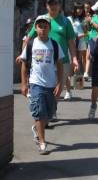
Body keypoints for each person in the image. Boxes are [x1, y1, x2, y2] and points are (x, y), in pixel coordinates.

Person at [18, 0, 79, 103]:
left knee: (57, 87)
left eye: (56, 4)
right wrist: (23, 54)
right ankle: (48, 111)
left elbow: (71, 42)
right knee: (47, 86)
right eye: (51, 4)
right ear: (47, 6)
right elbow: (29, 38)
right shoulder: (41, 20)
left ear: (59, 6)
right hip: (44, 59)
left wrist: (74, 58)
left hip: (62, 60)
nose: (53, 6)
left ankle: (52, 110)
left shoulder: (65, 21)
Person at [20, 15, 64, 155]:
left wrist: (60, 83)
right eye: (40, 26)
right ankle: (42, 142)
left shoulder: (55, 44)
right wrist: (23, 84)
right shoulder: (31, 44)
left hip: (50, 84)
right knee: (39, 112)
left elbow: (60, 65)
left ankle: (36, 129)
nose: (43, 29)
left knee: (49, 113)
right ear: (36, 28)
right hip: (36, 83)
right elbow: (24, 64)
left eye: (45, 26)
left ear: (49, 28)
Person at [68, 2, 88, 89]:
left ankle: (78, 83)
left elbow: (87, 31)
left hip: (81, 41)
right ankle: (68, 81)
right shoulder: (69, 19)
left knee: (78, 61)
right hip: (71, 41)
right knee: (71, 60)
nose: (79, 10)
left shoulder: (84, 19)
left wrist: (84, 32)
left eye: (80, 8)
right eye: (77, 8)